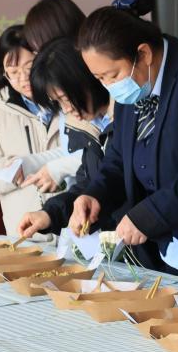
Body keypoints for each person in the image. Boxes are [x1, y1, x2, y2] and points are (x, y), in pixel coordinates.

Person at [16, 0, 178, 274]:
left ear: (143, 53)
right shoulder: (132, 87)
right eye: (99, 79)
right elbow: (118, 159)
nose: (109, 86)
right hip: (163, 253)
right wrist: (94, 196)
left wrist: (150, 215)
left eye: (111, 75)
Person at [0, 26, 64, 238]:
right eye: (14, 72)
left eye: (29, 67)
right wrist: (14, 170)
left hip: (77, 228)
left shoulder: (68, 101)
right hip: (27, 235)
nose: (24, 78)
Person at [29, 36, 116, 231]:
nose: (66, 109)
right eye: (58, 102)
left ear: (84, 79)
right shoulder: (86, 128)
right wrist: (49, 214)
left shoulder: (128, 116)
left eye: (64, 98)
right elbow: (88, 185)